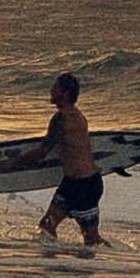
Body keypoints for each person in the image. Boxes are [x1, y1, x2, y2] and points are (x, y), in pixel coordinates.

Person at [35, 70, 105, 254]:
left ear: (64, 94)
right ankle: (50, 267)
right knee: (47, 225)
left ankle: (116, 264)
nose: (51, 91)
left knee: (91, 240)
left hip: (82, 185)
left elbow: (42, 152)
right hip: (81, 182)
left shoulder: (60, 120)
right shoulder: (79, 116)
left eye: (55, 88)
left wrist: (10, 164)